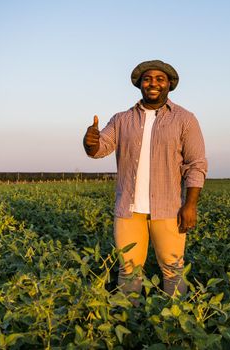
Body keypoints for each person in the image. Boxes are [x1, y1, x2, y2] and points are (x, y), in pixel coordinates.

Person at [83, 60, 207, 298]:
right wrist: (90, 142)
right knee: (128, 270)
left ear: (169, 85)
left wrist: (190, 205)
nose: (153, 83)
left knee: (173, 270)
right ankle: (129, 325)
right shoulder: (121, 120)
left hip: (169, 209)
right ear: (139, 84)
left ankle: (174, 327)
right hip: (129, 211)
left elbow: (196, 164)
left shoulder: (185, 119)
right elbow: (99, 149)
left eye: (160, 79)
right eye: (148, 79)